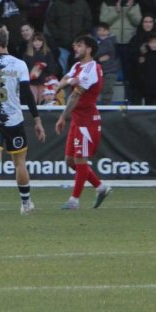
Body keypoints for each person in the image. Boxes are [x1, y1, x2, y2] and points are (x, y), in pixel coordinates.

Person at [0, 27, 45, 217]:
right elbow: (26, 95)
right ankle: (25, 203)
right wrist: (37, 119)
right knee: (20, 164)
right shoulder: (20, 64)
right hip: (14, 120)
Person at [55, 35, 113, 210]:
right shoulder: (77, 66)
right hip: (77, 119)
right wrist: (67, 82)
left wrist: (62, 117)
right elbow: (63, 80)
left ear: (88, 49)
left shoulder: (92, 69)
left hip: (87, 120)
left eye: (79, 45)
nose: (75, 48)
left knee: (80, 159)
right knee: (70, 161)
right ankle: (101, 187)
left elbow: (75, 95)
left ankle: (74, 200)